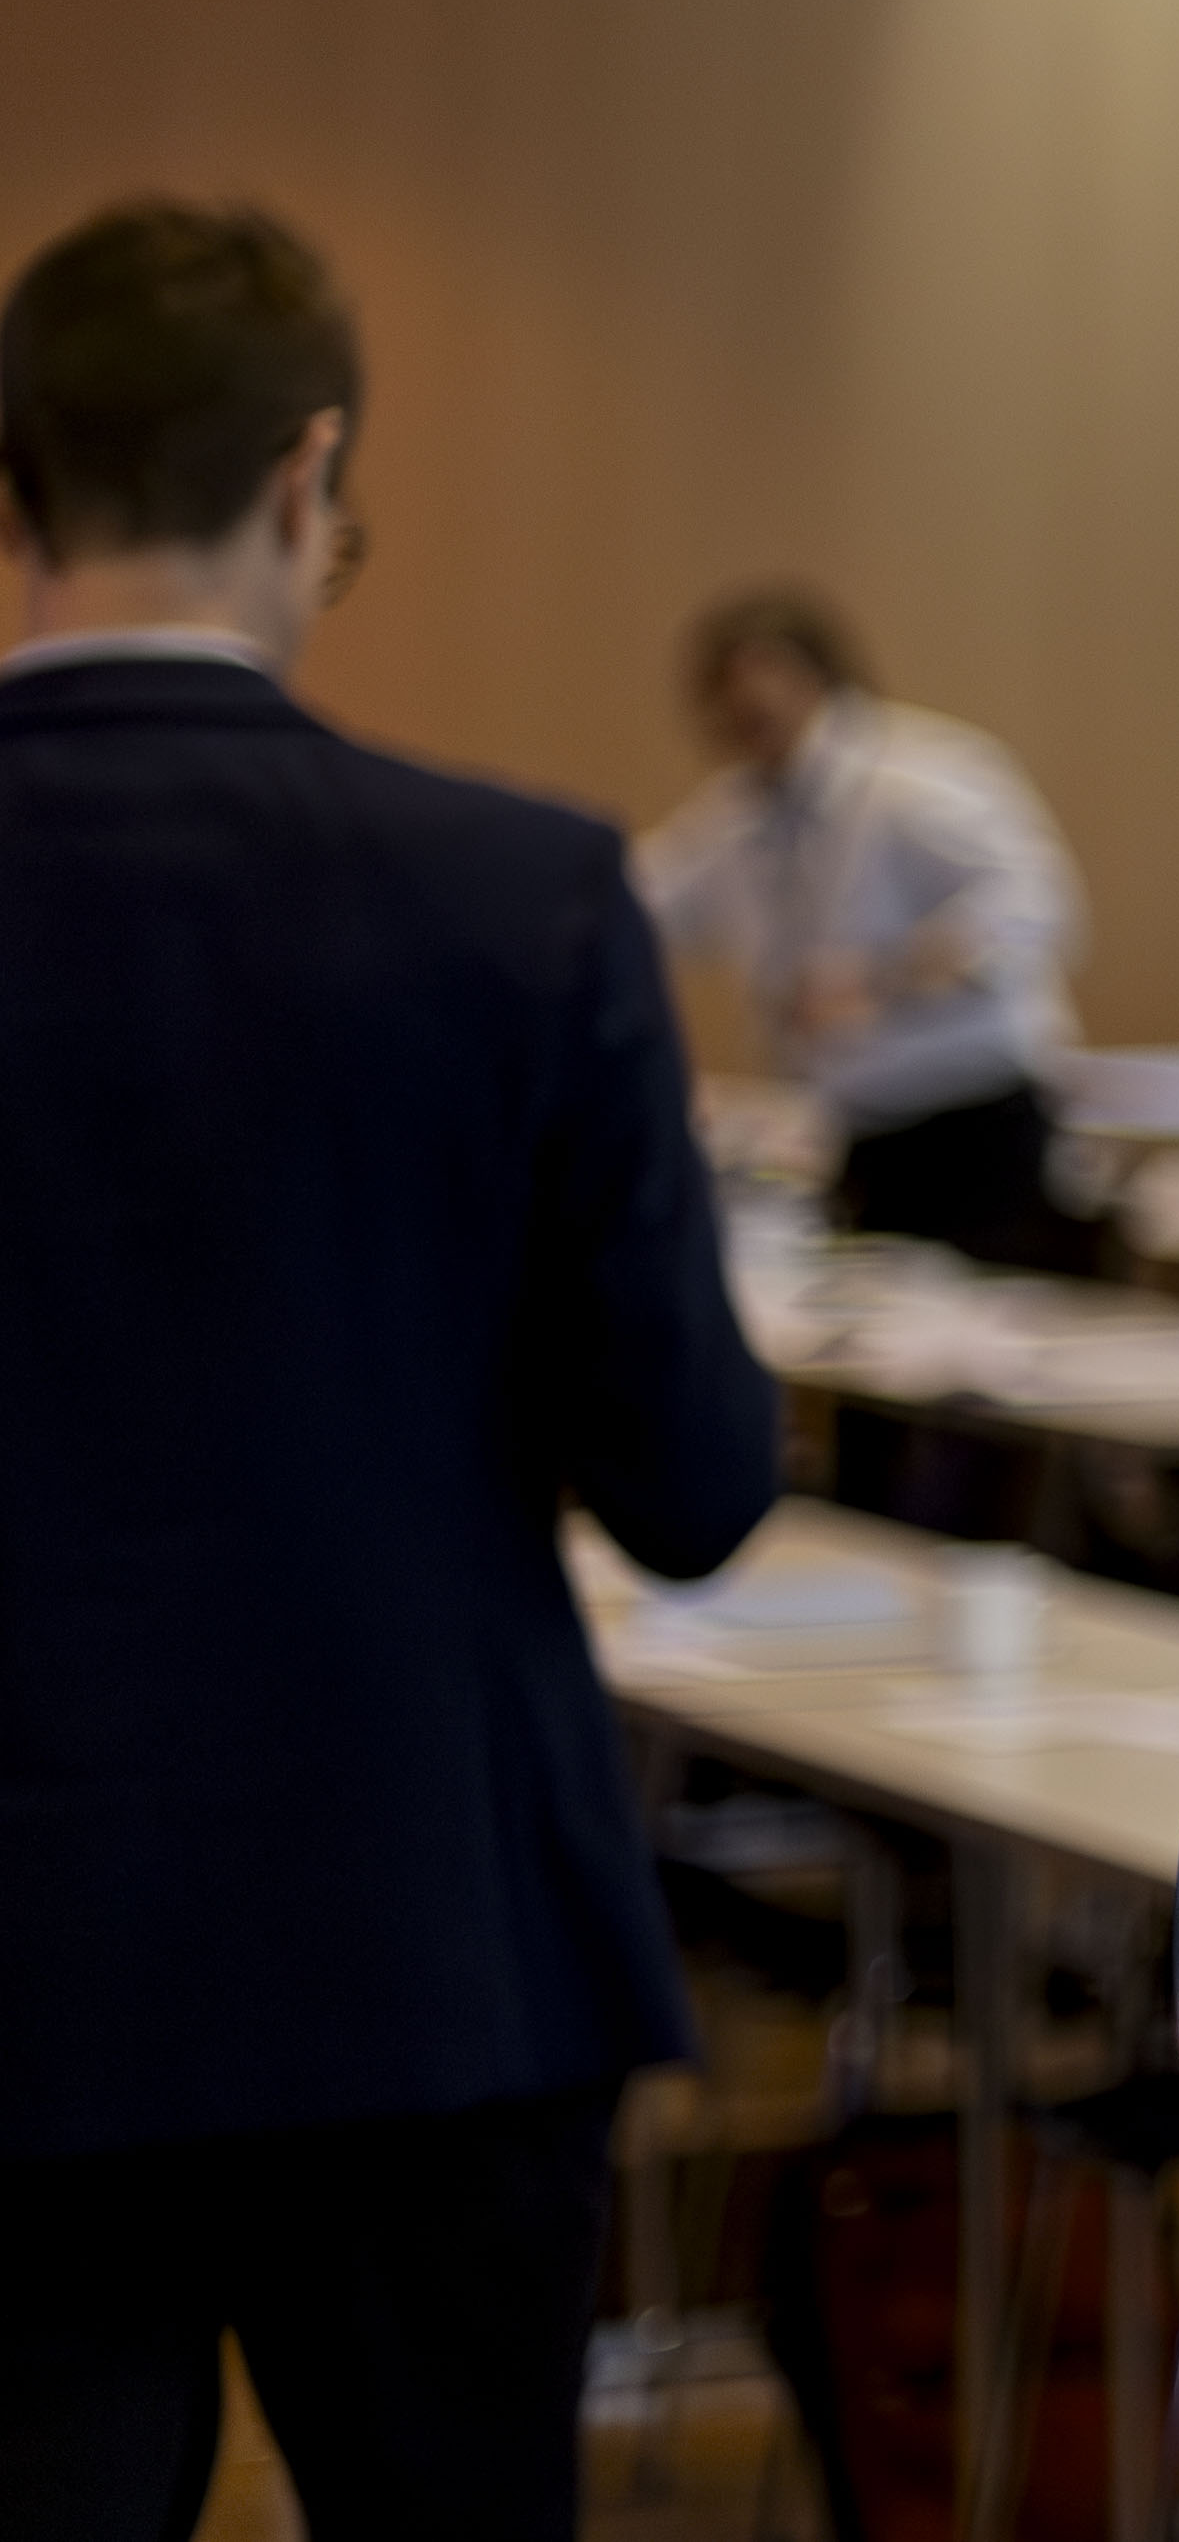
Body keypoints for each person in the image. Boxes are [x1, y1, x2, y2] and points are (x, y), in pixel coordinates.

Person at [0, 203, 781, 2538]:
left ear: (18, 484)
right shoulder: (517, 892)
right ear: (309, 471)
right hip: (430, 1934)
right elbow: (692, 1480)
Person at [636, 584, 1090, 1264]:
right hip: (858, 1128)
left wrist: (882, 981)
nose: (747, 706)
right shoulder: (735, 814)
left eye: (765, 679)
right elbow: (642, 902)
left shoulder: (916, 779)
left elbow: (1036, 914)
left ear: (817, 676)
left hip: (975, 1124)